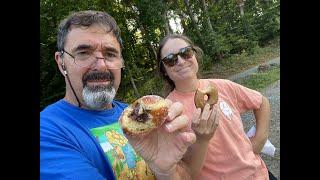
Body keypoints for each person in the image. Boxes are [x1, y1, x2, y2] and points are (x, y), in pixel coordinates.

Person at [40, 11, 197, 180]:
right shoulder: (47, 131)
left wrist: (166, 171)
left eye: (110, 54)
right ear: (61, 62)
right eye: (83, 53)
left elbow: (186, 176)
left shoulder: (136, 115)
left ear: (121, 62)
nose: (101, 65)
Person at [156, 34, 277, 180]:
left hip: (259, 174)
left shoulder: (222, 86)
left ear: (194, 55)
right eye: (170, 60)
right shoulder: (168, 112)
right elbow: (185, 174)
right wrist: (202, 139)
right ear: (164, 70)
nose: (181, 61)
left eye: (185, 52)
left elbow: (261, 102)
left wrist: (259, 140)